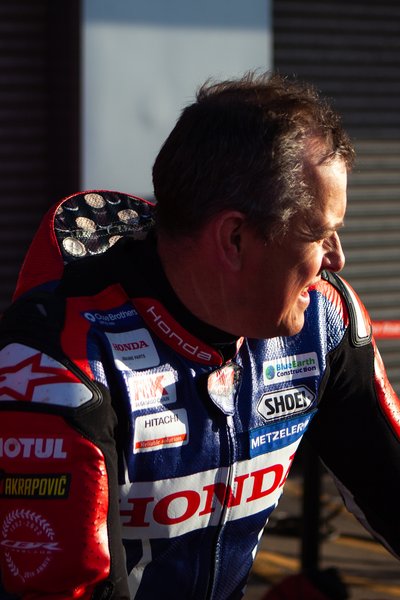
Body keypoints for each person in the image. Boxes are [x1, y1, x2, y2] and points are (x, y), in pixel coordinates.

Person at [0, 72, 399, 600]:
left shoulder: (325, 322)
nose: (337, 260)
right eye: (317, 234)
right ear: (234, 238)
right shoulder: (58, 363)